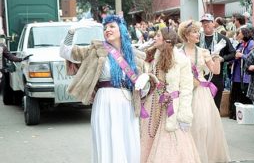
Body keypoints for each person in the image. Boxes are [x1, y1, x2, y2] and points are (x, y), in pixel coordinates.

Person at [60, 16, 146, 163]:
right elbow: (65, 52)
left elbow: (144, 86)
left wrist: (145, 80)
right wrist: (72, 31)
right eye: (105, 28)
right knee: (107, 141)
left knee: (127, 142)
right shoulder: (96, 49)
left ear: (122, 29)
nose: (107, 30)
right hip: (105, 102)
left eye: (112, 26)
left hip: (128, 104)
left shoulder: (134, 55)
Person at [136, 27, 200, 163]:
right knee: (149, 137)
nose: (155, 38)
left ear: (166, 40)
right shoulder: (153, 56)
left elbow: (187, 89)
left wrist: (184, 114)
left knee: (171, 139)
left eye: (158, 36)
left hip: (169, 106)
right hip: (152, 104)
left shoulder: (181, 60)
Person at [178, 20, 231, 163]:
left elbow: (215, 71)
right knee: (186, 125)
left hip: (201, 92)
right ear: (186, 35)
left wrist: (216, 56)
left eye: (197, 31)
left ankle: (201, 157)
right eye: (194, 32)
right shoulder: (177, 52)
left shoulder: (203, 52)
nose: (198, 34)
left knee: (202, 125)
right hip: (184, 91)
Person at [198, 13, 236, 110]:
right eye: (203, 22)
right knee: (201, 106)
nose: (205, 24)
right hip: (200, 76)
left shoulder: (222, 39)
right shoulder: (197, 39)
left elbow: (233, 53)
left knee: (215, 105)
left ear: (213, 23)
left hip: (217, 76)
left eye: (208, 22)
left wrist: (222, 58)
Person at [229, 28, 254, 120]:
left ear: (244, 34)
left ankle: (246, 116)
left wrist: (241, 55)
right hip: (237, 74)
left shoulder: (251, 44)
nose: (237, 34)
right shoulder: (240, 44)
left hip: (245, 75)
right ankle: (235, 114)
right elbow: (235, 54)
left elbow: (252, 57)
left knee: (244, 96)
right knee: (236, 94)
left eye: (239, 33)